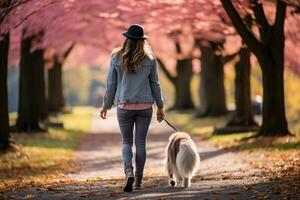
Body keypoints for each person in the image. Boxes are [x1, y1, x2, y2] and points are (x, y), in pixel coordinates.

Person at [100, 24, 164, 192]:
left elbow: (111, 84)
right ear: (142, 41)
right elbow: (155, 84)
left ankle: (129, 171)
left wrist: (106, 105)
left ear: (126, 39)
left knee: (127, 142)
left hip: (124, 106)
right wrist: (160, 106)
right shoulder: (149, 59)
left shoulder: (116, 57)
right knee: (141, 142)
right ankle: (138, 180)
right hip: (145, 107)